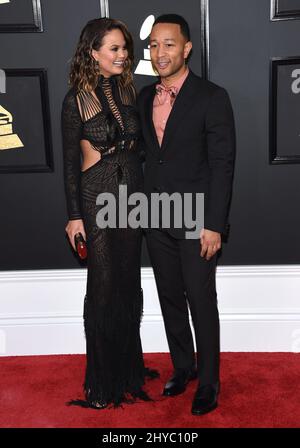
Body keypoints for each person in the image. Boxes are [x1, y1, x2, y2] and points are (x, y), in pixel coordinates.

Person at [137, 14, 235, 415]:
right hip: (155, 215)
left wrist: (214, 224)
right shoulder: (145, 98)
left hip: (197, 219)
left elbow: (222, 164)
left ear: (187, 48)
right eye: (155, 45)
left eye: (169, 44)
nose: (160, 53)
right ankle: (183, 367)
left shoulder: (212, 97)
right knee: (169, 297)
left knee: (200, 298)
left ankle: (209, 383)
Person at [61, 17, 158, 410]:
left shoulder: (129, 90)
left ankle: (129, 371)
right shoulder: (75, 100)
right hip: (96, 195)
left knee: (128, 284)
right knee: (102, 287)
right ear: (93, 52)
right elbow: (70, 164)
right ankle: (101, 382)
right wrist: (74, 216)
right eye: (114, 49)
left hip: (131, 193)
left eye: (124, 49)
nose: (123, 56)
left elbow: (143, 149)